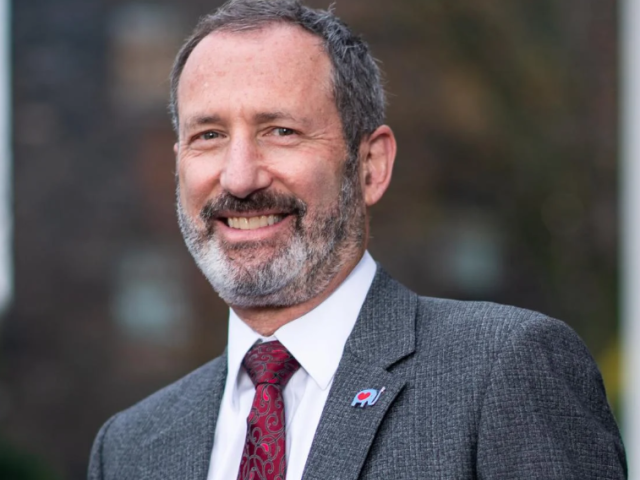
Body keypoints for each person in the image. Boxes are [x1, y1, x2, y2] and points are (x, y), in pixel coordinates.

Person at [88, 0, 627, 478]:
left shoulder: (504, 372)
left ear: (370, 166)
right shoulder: (130, 448)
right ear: (178, 164)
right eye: (209, 136)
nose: (239, 177)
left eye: (281, 131)